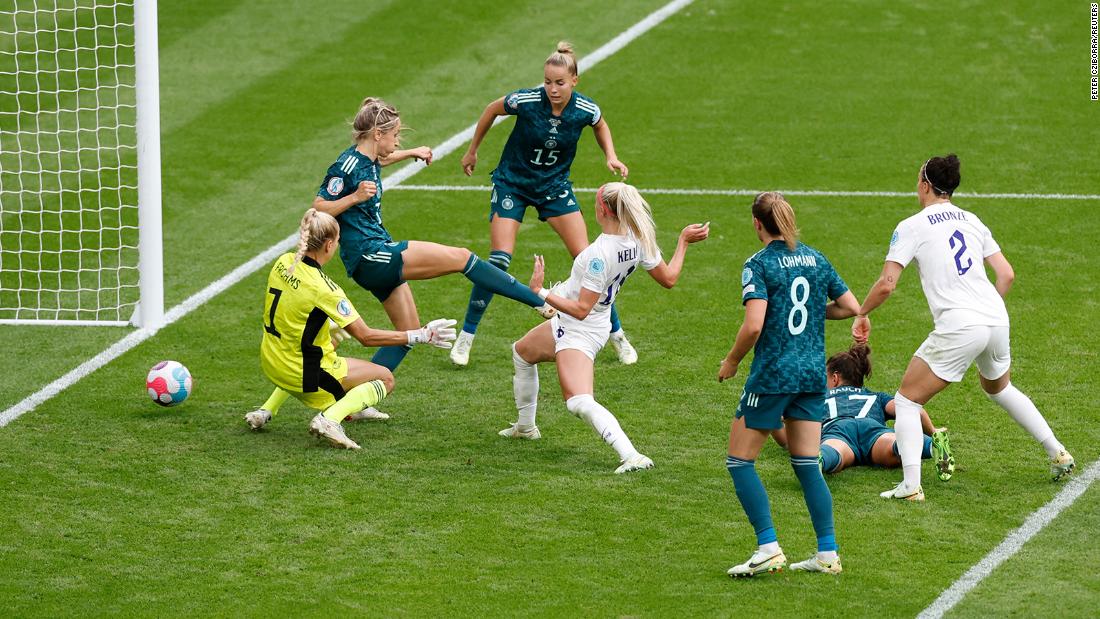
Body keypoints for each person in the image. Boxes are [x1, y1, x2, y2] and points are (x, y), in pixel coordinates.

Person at [249, 97, 551, 421]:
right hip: (371, 254)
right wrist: (354, 198)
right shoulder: (346, 167)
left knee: (406, 333)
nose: (396, 142)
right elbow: (318, 207)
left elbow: (382, 161)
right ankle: (533, 299)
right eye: (395, 135)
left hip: (373, 254)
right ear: (377, 133)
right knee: (462, 257)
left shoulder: (368, 159)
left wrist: (411, 154)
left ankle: (352, 402)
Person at [853, 154, 1074, 501]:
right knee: (1000, 389)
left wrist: (862, 312)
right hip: (996, 318)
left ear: (925, 185)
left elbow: (887, 284)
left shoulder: (912, 225)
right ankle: (1057, 452)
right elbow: (1007, 274)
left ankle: (911, 486)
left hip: (961, 324)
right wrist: (986, 310)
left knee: (907, 401)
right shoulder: (973, 220)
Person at [499, 182, 708, 472]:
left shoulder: (597, 255)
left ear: (602, 210)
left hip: (579, 329)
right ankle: (525, 428)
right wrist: (683, 241)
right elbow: (669, 278)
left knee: (578, 401)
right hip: (587, 320)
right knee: (522, 352)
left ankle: (631, 455)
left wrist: (541, 293)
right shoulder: (638, 239)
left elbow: (582, 310)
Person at [452, 41, 637, 367]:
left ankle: (617, 336)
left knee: (590, 260)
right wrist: (472, 150)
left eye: (560, 83)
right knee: (498, 260)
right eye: (548, 82)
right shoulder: (525, 100)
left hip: (554, 188)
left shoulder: (584, 109)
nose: (552, 88)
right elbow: (491, 110)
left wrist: (611, 155)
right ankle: (466, 338)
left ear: (574, 81)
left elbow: (601, 123)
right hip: (513, 183)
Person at [719, 192, 862, 578]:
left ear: (757, 224)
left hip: (774, 375)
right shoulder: (816, 258)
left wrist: (731, 361)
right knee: (805, 464)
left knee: (739, 461)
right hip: (812, 375)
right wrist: (817, 311)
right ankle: (827, 554)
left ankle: (768, 547)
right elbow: (850, 305)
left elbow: (753, 325)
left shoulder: (759, 265)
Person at [247, 209, 456, 449]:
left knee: (330, 340)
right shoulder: (325, 289)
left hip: (272, 362)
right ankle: (329, 420)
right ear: (328, 245)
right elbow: (366, 336)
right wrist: (420, 335)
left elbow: (297, 313)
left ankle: (266, 409)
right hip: (301, 375)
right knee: (385, 379)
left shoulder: (283, 263)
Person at [817, 344, 953, 478]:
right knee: (895, 444)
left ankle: (821, 459)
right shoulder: (876, 397)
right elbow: (913, 410)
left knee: (835, 449)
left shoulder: (821, 398)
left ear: (835, 378)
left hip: (838, 430)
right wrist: (933, 431)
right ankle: (931, 445)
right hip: (872, 429)